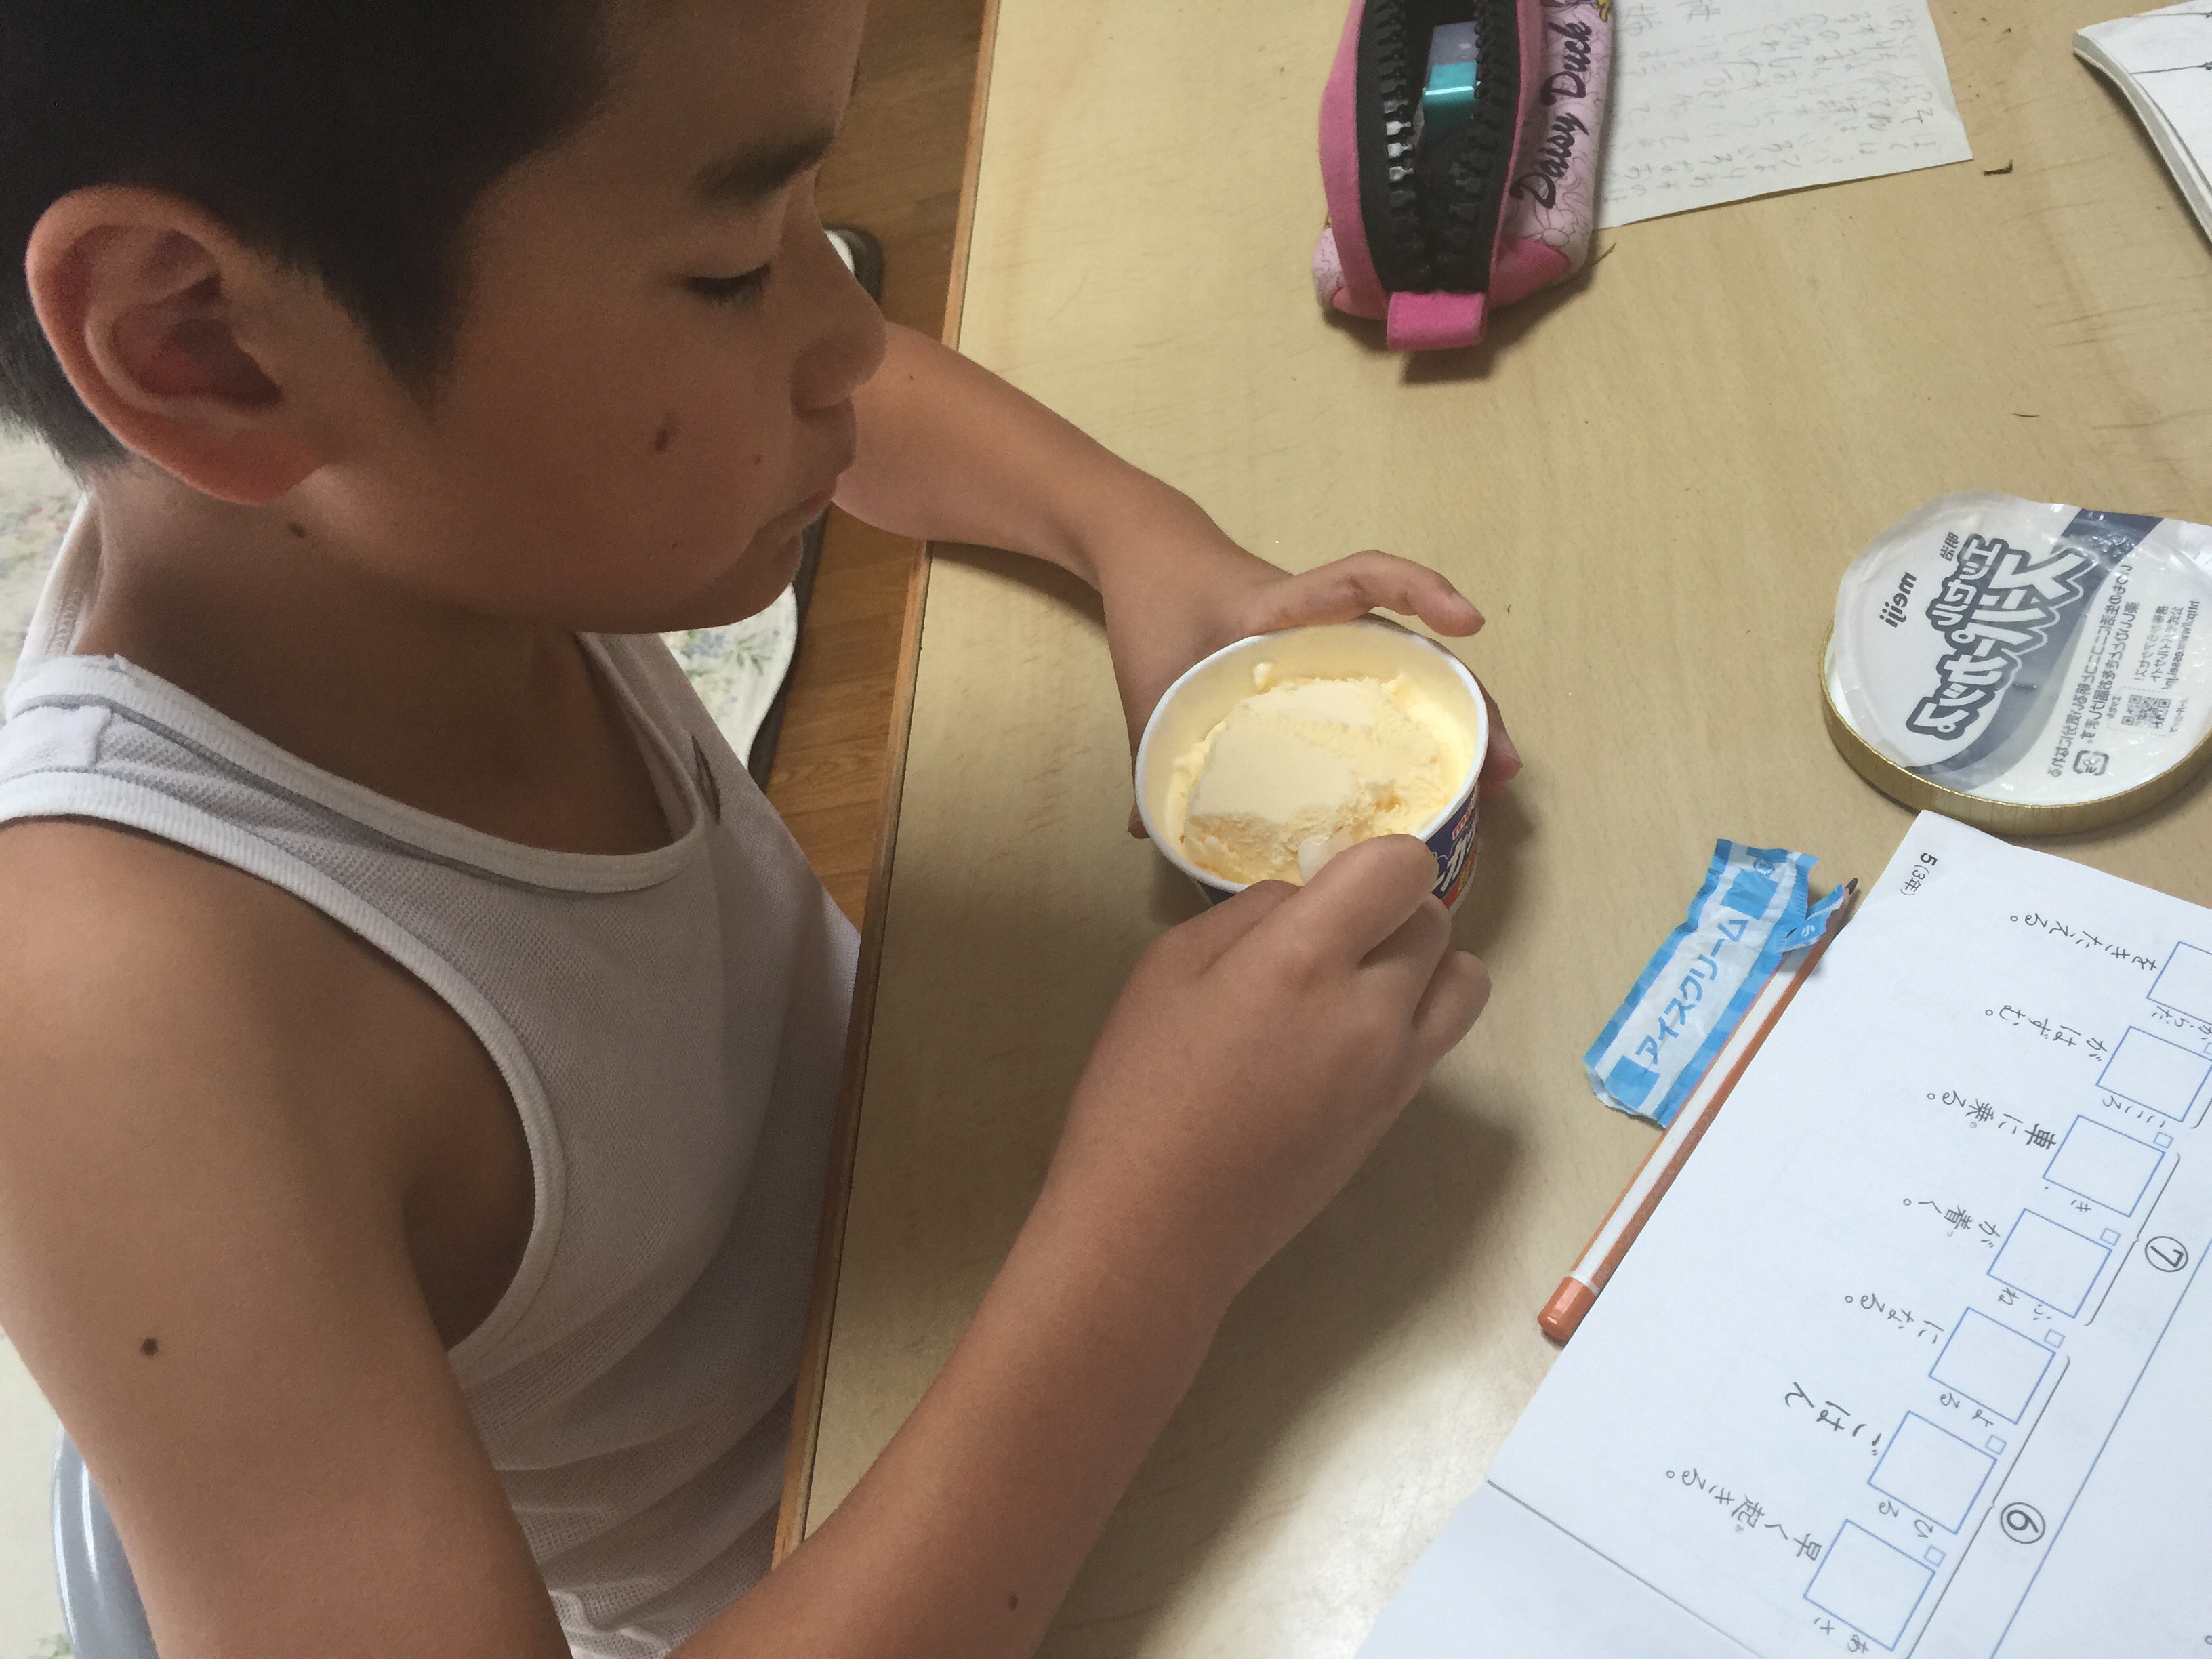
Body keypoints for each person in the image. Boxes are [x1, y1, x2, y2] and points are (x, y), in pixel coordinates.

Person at [0, 3, 1519, 1655]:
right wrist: (1155, 1232)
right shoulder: (108, 1033)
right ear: (203, 346)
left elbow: (853, 401)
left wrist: (1140, 539)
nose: (851, 334)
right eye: (731, 270)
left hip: (961, 1232)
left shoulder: (407, 516)